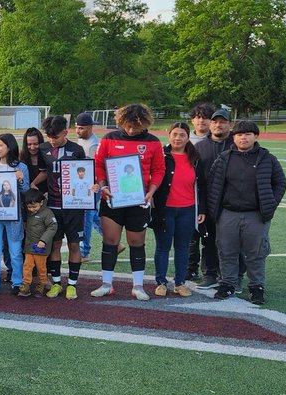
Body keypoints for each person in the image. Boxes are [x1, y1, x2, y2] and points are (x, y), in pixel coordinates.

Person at [205, 121, 286, 305]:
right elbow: (212, 184)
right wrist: (214, 209)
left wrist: (270, 203)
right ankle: (228, 284)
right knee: (227, 251)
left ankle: (257, 287)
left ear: (256, 136)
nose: (244, 137)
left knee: (256, 253)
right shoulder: (224, 158)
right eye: (240, 134)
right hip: (228, 213)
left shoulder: (267, 158)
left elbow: (280, 182)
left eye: (248, 134)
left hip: (256, 215)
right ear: (233, 137)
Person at [91, 104, 165, 301]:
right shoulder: (109, 139)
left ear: (144, 123)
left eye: (136, 126)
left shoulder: (153, 142)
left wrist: (151, 191)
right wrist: (103, 185)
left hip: (138, 201)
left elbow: (159, 170)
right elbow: (98, 165)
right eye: (128, 126)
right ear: (121, 122)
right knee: (110, 241)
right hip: (113, 200)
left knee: (136, 242)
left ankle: (138, 286)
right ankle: (107, 284)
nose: (131, 130)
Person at [151, 122, 205, 298]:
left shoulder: (195, 158)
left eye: (182, 135)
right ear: (169, 135)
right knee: (163, 247)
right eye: (175, 134)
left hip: (187, 210)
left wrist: (201, 209)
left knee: (182, 247)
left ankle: (180, 283)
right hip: (165, 209)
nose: (178, 138)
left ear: (188, 137)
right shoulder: (162, 155)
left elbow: (202, 186)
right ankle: (161, 282)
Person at [40, 115, 87, 299]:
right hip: (53, 205)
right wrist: (34, 185)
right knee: (56, 245)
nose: (52, 141)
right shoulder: (44, 148)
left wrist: (90, 188)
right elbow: (45, 172)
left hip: (74, 207)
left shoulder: (77, 150)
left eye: (56, 137)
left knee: (75, 245)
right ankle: (57, 283)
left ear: (66, 133)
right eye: (49, 137)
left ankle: (72, 285)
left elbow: (84, 175)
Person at [0, 133, 29, 295]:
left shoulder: (20, 167)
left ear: (10, 146)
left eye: (0, 145)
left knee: (15, 251)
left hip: (13, 217)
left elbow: (26, 191)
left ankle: (17, 281)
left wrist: (21, 180)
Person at [193, 108, 234, 288]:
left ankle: (232, 277)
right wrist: (200, 206)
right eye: (215, 121)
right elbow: (196, 180)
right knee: (208, 240)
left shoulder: (237, 143)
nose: (218, 125)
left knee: (232, 242)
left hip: (232, 203)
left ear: (229, 125)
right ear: (211, 123)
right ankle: (209, 274)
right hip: (208, 202)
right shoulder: (200, 147)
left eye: (223, 122)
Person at [73, 112, 100, 259]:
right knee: (93, 215)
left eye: (81, 128)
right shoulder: (82, 141)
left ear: (90, 128)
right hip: (86, 184)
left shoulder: (93, 145)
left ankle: (84, 252)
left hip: (92, 186)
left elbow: (94, 169)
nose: (78, 131)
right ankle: (113, 242)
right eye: (77, 128)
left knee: (87, 216)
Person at [20, 189, 56, 298]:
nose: (32, 209)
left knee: (41, 267)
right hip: (29, 246)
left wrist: (43, 240)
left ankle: (42, 284)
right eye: (29, 207)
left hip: (41, 248)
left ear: (41, 202)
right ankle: (26, 284)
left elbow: (52, 226)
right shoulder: (28, 212)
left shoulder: (47, 213)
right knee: (27, 266)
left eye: (34, 207)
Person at [22, 127, 50, 196]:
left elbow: (46, 172)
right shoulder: (21, 158)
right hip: (28, 197)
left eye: (36, 144)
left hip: (45, 195)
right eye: (29, 144)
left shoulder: (47, 156)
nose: (32, 147)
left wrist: (33, 183)